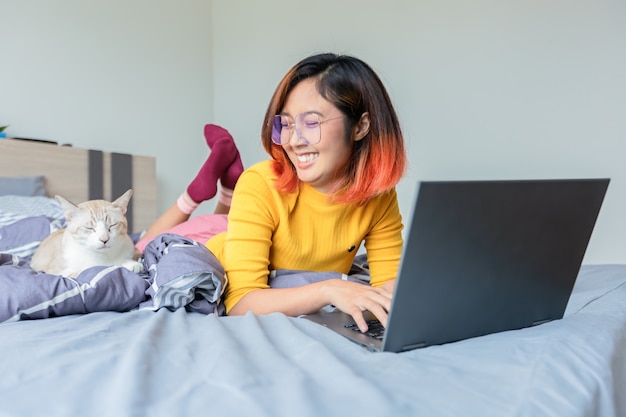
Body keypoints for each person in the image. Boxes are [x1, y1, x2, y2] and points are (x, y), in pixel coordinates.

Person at [140, 53, 407, 332]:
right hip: (212, 242)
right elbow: (241, 302)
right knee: (142, 247)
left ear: (361, 127)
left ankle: (226, 192)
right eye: (287, 124)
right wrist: (329, 289)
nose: (294, 141)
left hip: (250, 226)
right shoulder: (260, 183)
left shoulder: (379, 196)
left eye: (312, 123)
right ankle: (199, 194)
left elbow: (389, 283)